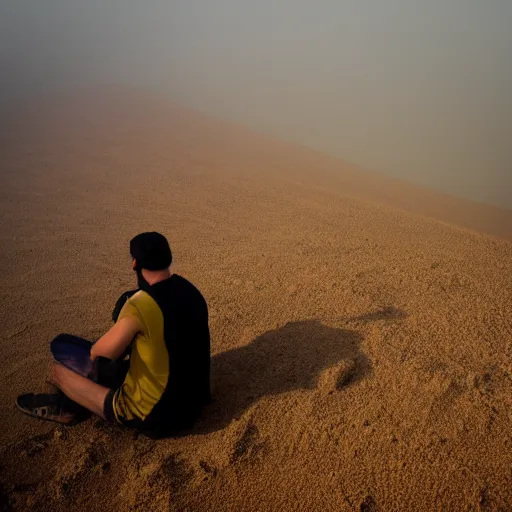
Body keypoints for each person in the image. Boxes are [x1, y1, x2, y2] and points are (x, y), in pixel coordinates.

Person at [16, 232, 211, 438]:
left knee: (60, 372)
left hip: (155, 416)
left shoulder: (140, 304)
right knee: (130, 362)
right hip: (193, 404)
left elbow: (103, 352)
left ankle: (68, 410)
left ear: (135, 263)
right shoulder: (190, 290)